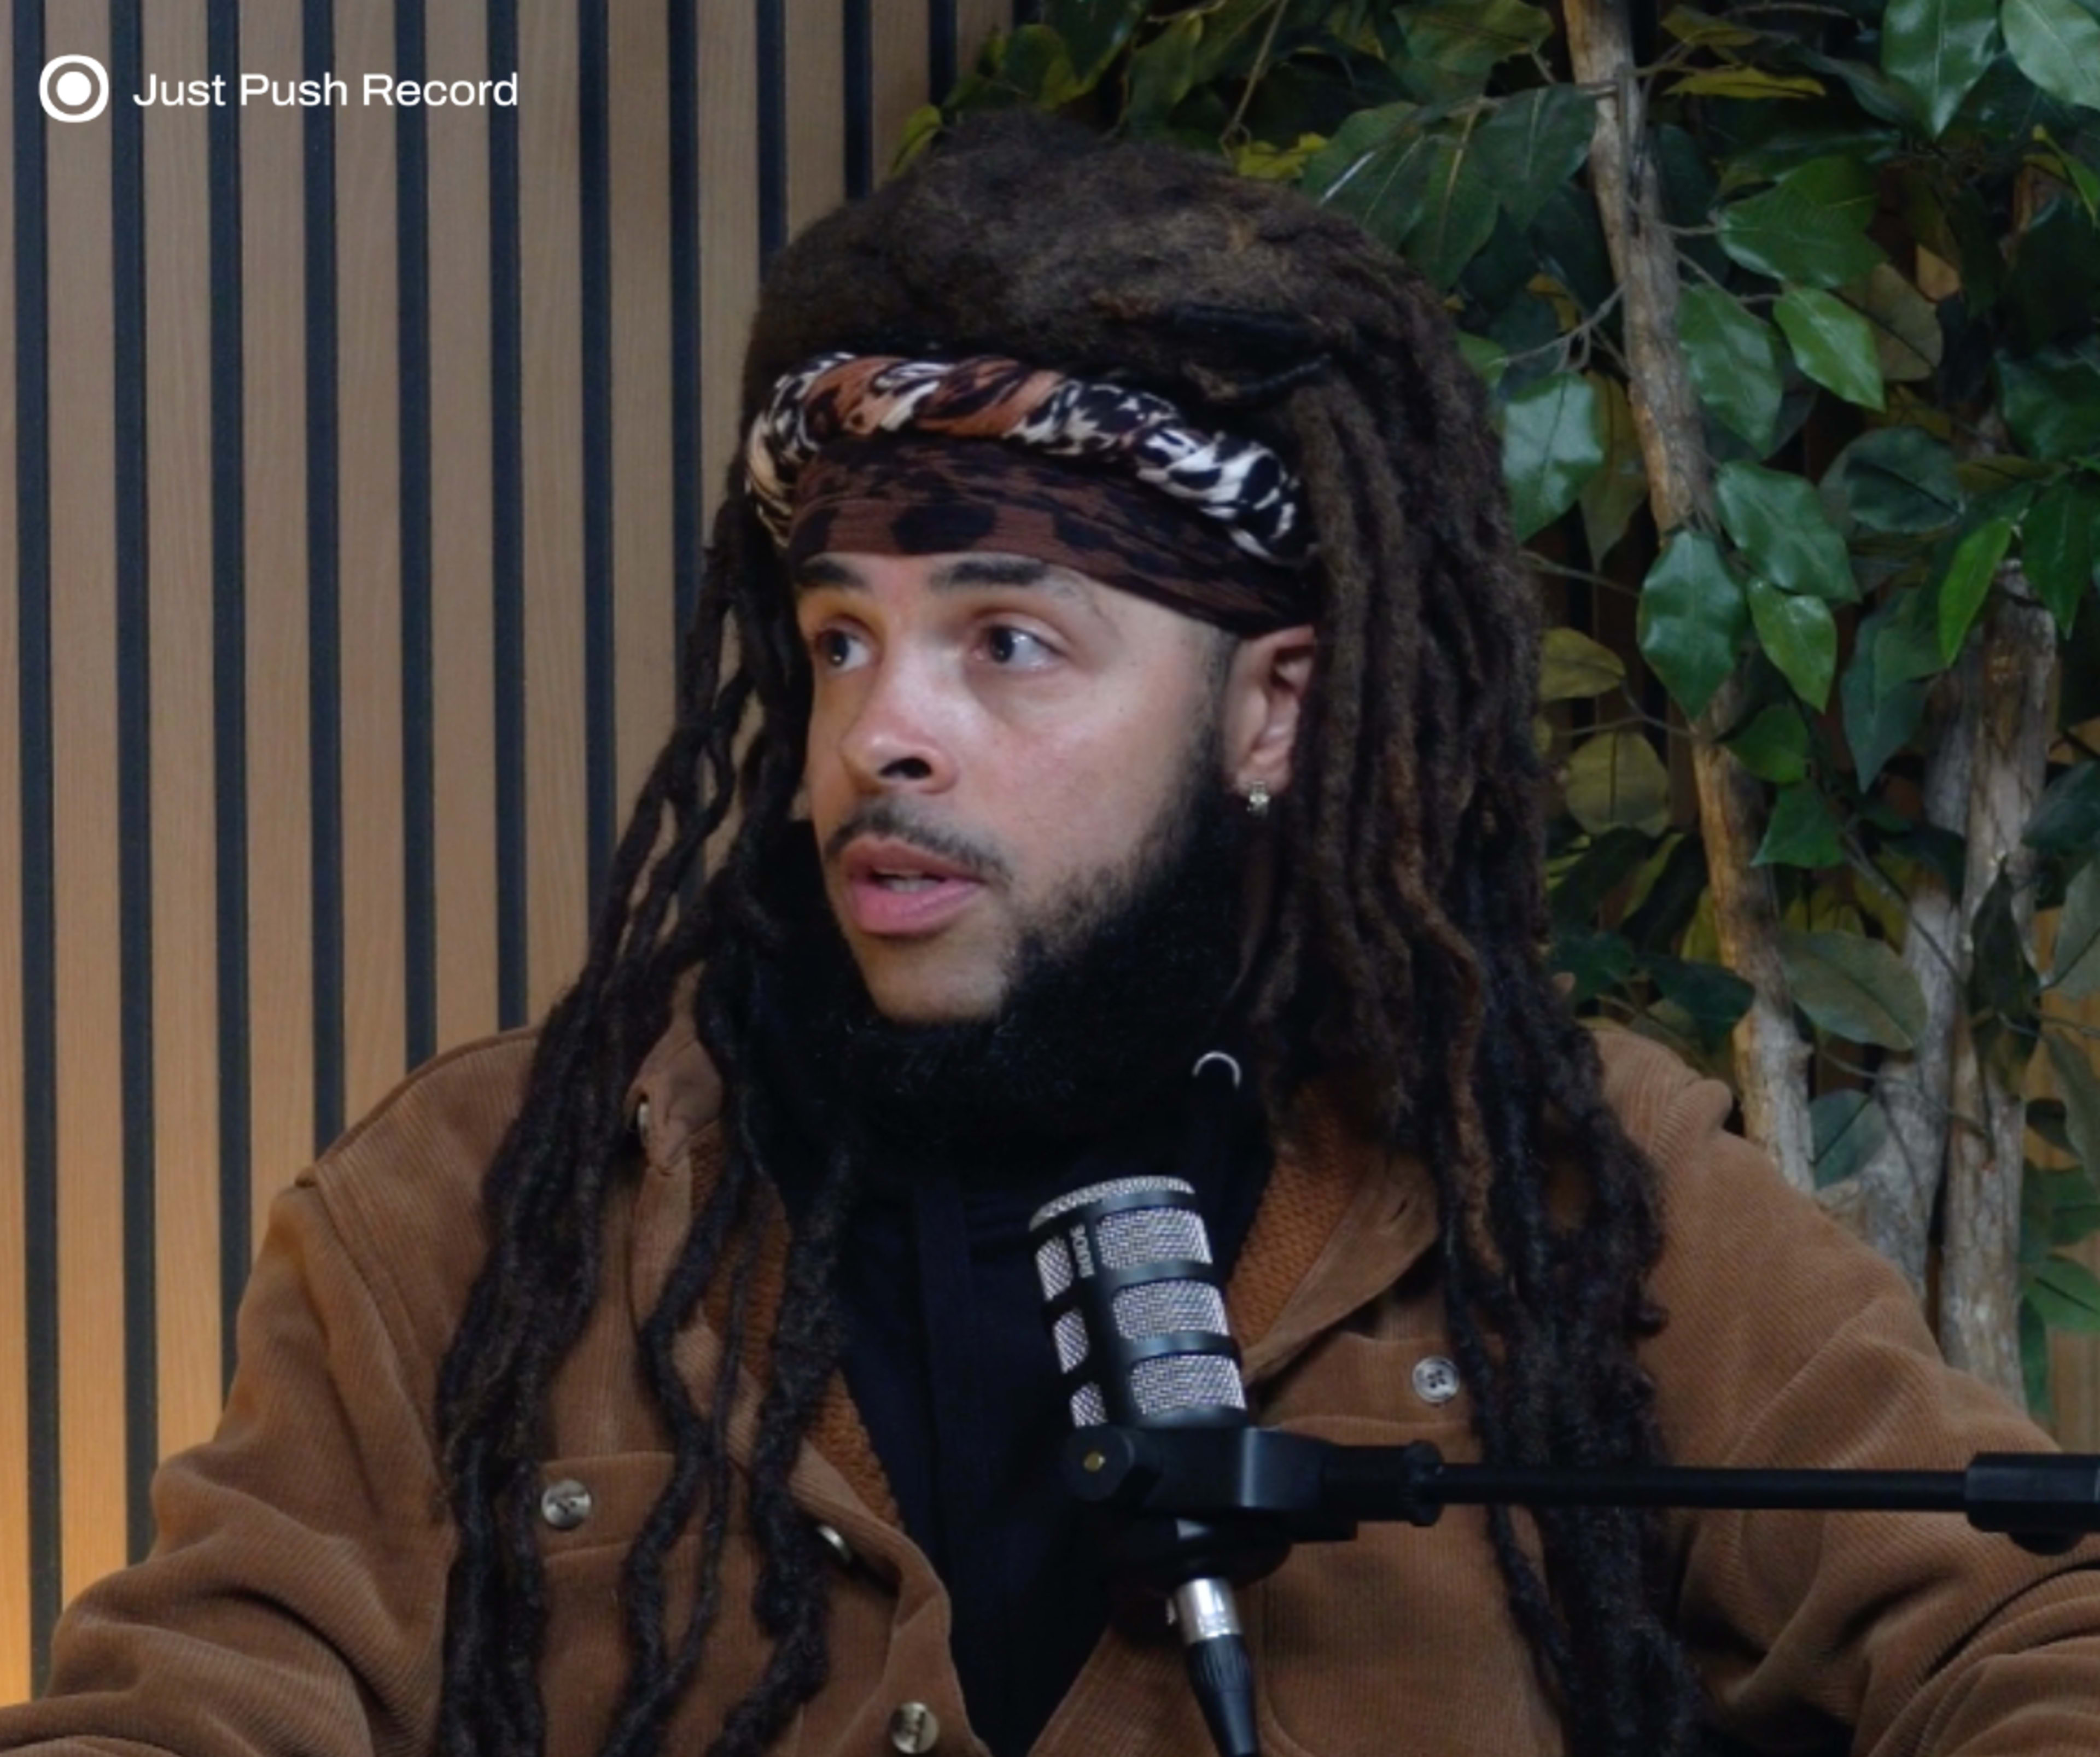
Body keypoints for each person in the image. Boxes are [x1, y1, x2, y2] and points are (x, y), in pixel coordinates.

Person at [4, 109, 2098, 1757]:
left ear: (1269, 710)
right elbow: (194, 1702)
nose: (878, 735)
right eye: (841, 640)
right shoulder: (473, 1210)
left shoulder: (1565, 1185)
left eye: (1008, 641)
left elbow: (2034, 1617)